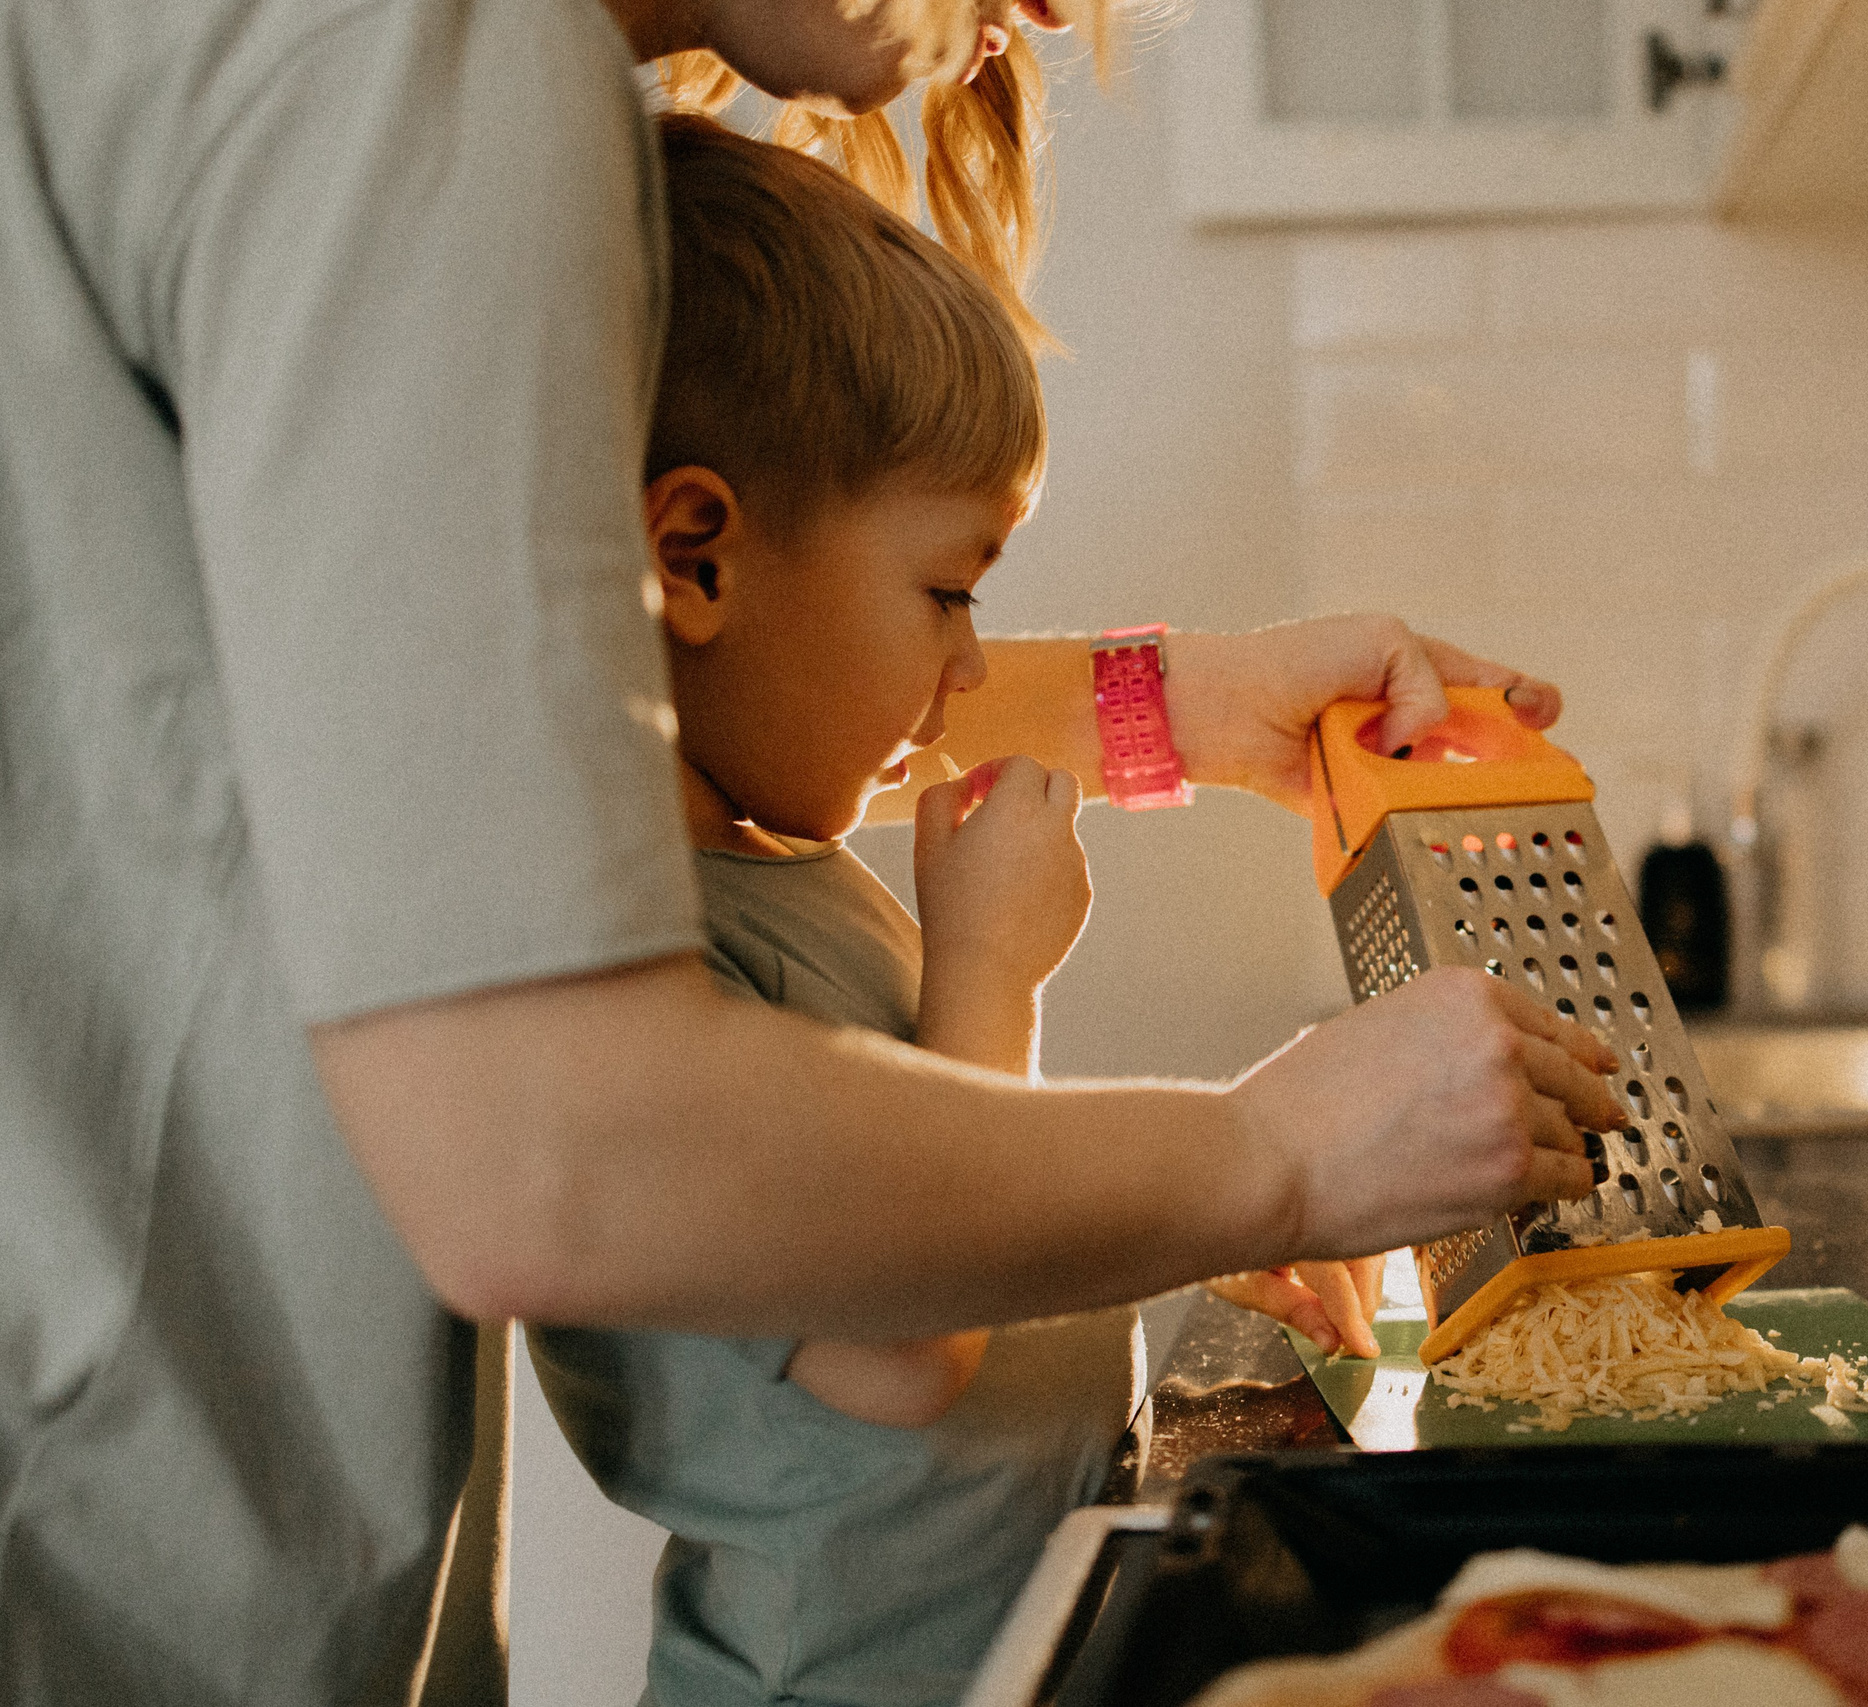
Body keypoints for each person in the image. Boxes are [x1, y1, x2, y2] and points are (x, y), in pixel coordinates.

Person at [0, 1, 1619, 1700]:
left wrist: (1177, 710)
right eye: (951, 596)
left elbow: (512, 711)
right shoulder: (412, 56)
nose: (1064, 15)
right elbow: (563, 1141)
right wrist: (1272, 1154)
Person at [535, 114, 1154, 1705]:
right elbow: (899, 1345)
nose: (970, 663)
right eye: (947, 591)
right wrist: (991, 968)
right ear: (697, 560)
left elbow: (983, 1209)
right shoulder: (648, 964)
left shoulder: (786, 877)